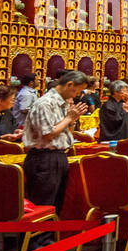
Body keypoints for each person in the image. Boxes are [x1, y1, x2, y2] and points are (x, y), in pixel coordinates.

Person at [21, 69, 87, 212]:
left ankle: (49, 234)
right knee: (43, 206)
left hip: (59, 156)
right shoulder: (45, 103)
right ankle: (37, 235)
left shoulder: (62, 103)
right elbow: (48, 134)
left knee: (56, 206)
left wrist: (72, 120)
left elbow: (65, 133)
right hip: (43, 158)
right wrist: (69, 118)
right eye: (77, 91)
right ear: (70, 85)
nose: (77, 95)